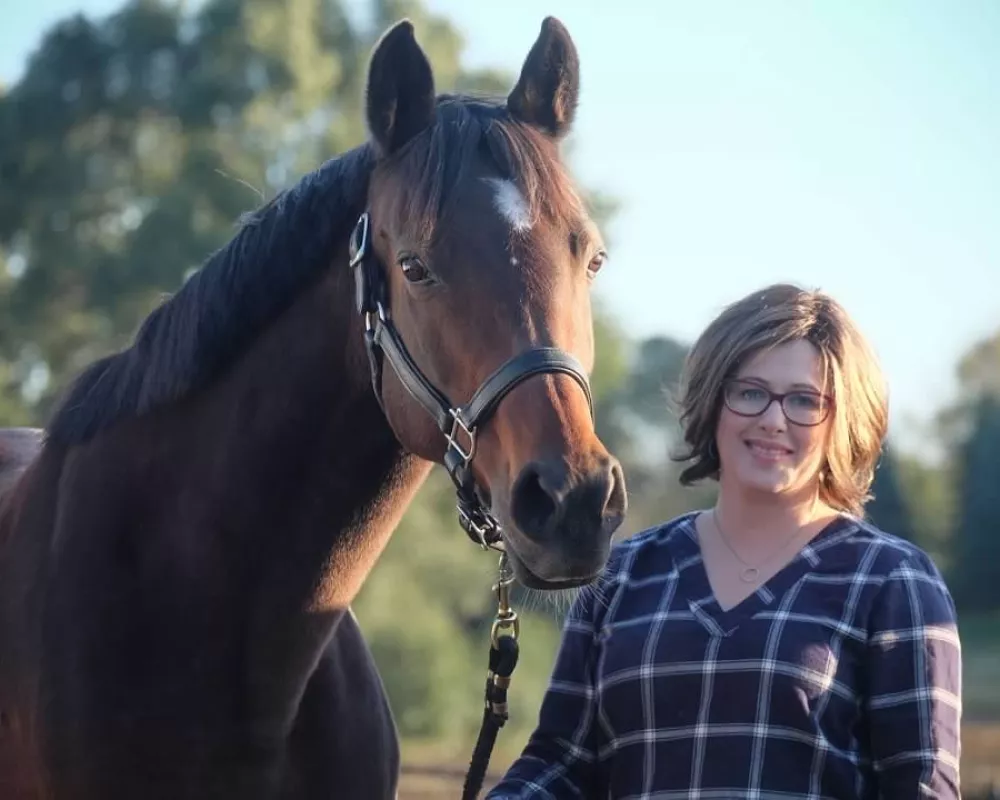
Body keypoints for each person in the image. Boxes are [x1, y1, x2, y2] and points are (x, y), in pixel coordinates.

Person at [487, 283, 961, 799]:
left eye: (805, 400)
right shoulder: (623, 575)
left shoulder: (892, 582)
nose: (773, 419)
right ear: (715, 400)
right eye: (750, 392)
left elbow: (921, 787)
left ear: (842, 420)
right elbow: (561, 764)